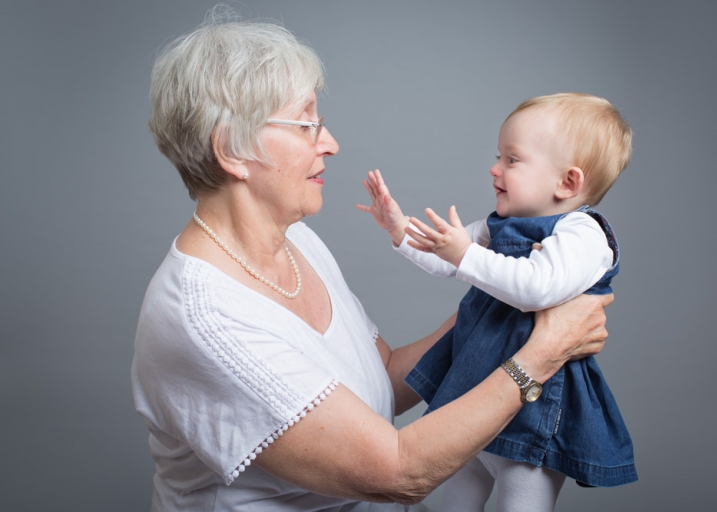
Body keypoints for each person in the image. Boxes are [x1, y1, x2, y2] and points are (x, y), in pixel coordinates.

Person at [131, 12, 613, 512]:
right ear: (231, 149)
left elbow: (379, 377)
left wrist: (510, 312)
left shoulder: (297, 242)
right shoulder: (206, 318)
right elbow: (397, 474)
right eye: (305, 123)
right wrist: (546, 348)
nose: (330, 142)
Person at [358, 93, 637, 512]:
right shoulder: (502, 225)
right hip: (478, 391)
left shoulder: (583, 235)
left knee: (520, 500)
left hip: (533, 408)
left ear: (568, 182)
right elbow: (446, 260)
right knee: (457, 495)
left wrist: (465, 254)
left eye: (512, 159)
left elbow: (536, 289)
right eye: (498, 156)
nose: (495, 168)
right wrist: (401, 231)